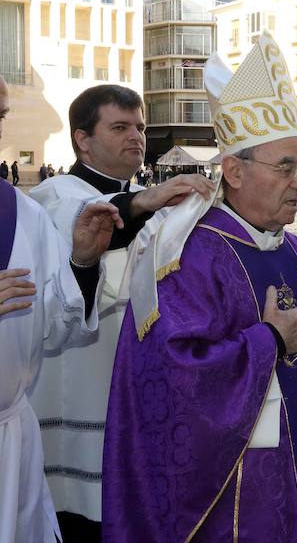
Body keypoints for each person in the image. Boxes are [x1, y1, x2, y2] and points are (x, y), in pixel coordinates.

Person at [102, 31, 297, 542]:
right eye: (286, 168)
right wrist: (267, 342)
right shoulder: (189, 256)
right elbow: (172, 379)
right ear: (233, 169)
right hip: (242, 499)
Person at [28, 84, 215, 539]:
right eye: (119, 127)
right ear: (82, 139)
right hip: (75, 398)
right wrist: (145, 202)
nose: (136, 136)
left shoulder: (150, 199)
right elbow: (91, 219)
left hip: (136, 391)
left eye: (140, 127)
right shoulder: (53, 195)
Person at [0, 73, 124, 543]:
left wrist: (84, 263)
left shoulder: (20, 213)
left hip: (12, 446)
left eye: (0, 116)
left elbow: (55, 327)